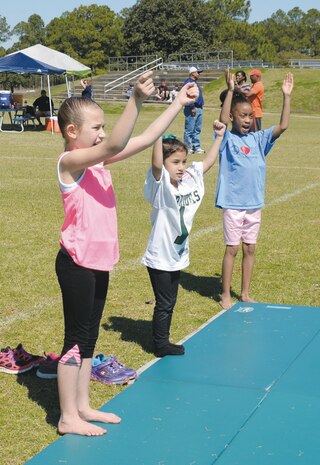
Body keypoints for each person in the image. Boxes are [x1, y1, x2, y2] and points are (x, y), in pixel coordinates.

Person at [55, 71, 199, 437]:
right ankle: (67, 416)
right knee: (74, 339)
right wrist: (135, 98)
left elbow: (148, 138)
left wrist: (176, 104)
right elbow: (114, 144)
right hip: (76, 264)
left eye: (105, 126)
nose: (103, 133)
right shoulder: (69, 164)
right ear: (72, 132)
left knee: (88, 339)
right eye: (97, 127)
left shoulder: (99, 162)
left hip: (98, 264)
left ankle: (83, 405)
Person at [142, 121, 226, 357]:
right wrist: (157, 136)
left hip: (177, 253)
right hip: (160, 256)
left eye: (183, 161)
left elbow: (207, 163)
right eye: (175, 162)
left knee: (170, 302)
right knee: (165, 303)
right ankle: (160, 345)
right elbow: (157, 164)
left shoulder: (187, 180)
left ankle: (163, 340)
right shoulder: (159, 185)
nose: (181, 167)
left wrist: (219, 136)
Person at [218, 70, 294, 310]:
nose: (248, 120)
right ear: (233, 117)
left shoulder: (259, 139)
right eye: (242, 116)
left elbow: (283, 125)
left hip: (253, 205)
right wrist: (231, 91)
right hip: (233, 204)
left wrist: (286, 96)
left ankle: (245, 293)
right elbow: (220, 122)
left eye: (250, 116)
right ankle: (224, 294)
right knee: (232, 249)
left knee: (250, 248)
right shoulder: (227, 139)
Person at [183, 66, 205, 155]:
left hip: (198, 108)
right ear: (192, 73)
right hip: (192, 108)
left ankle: (196, 147)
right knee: (189, 129)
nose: (199, 74)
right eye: (197, 72)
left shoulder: (194, 82)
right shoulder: (189, 83)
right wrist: (192, 107)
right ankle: (188, 147)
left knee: (197, 129)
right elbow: (188, 96)